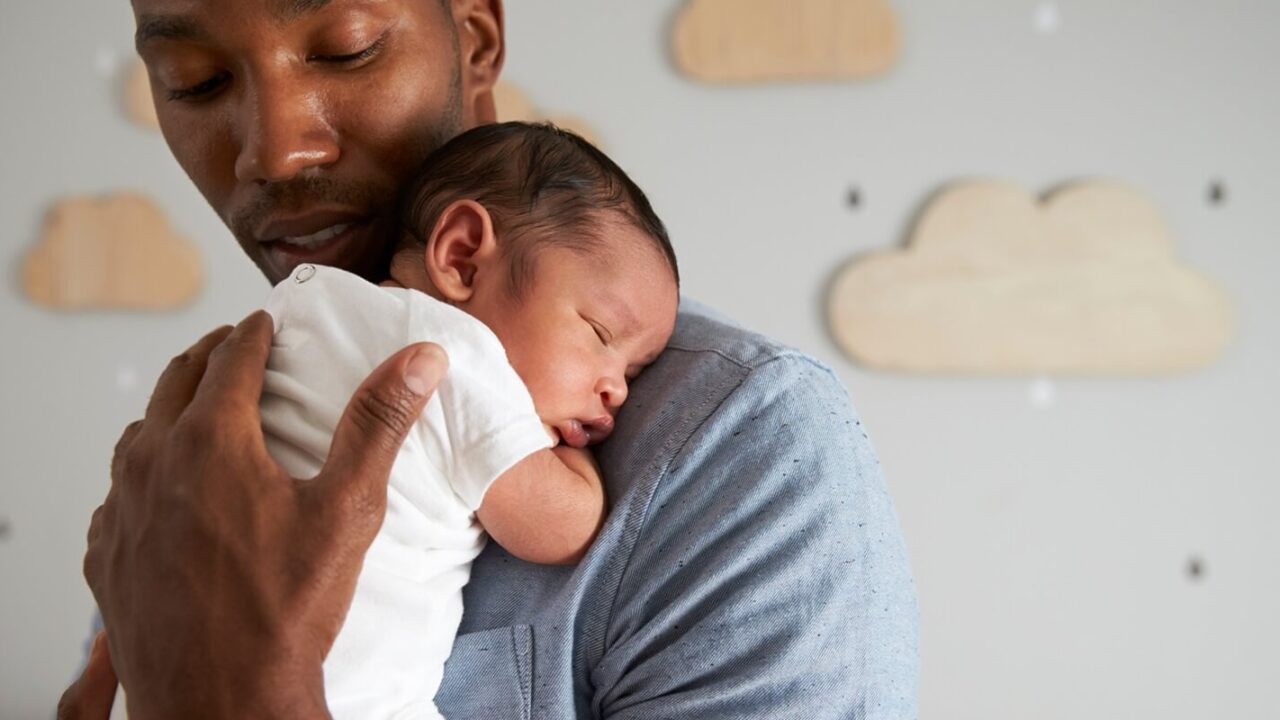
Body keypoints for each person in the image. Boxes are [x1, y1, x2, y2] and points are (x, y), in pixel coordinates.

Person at [61, 1, 920, 718]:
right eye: (196, 81)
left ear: (474, 37)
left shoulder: (739, 449)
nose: (275, 150)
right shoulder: (205, 436)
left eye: (346, 48)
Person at [259, 121, 678, 719]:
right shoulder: (455, 354)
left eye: (634, 374)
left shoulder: (301, 308)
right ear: (462, 259)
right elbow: (562, 528)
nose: (615, 389)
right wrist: (568, 453)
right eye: (599, 334)